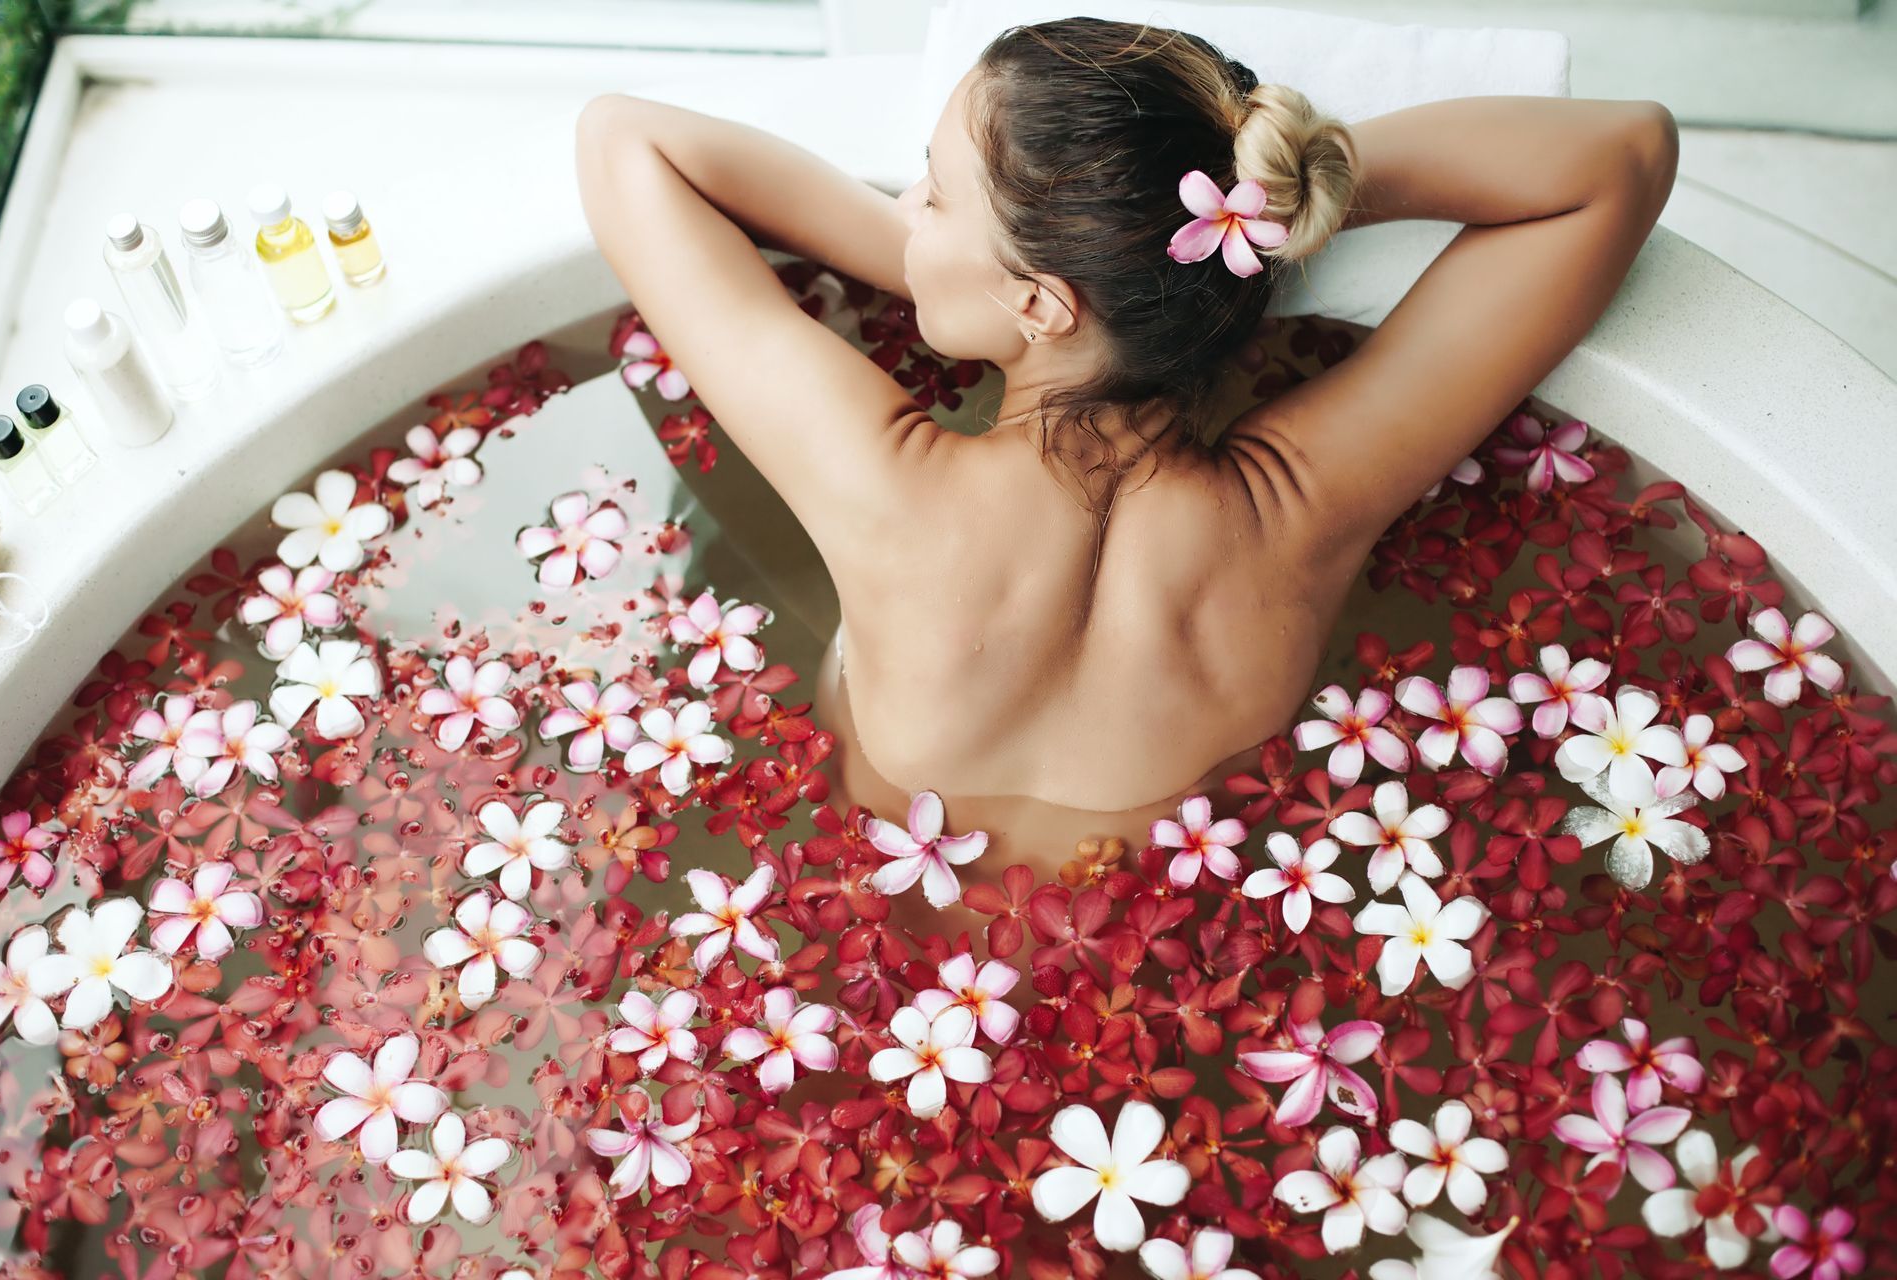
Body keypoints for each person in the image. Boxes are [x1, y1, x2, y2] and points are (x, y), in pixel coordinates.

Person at [573, 17, 1679, 893]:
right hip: (1153, 930)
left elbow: (627, 143)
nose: (908, 208)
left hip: (885, 907)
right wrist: (1275, 196)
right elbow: (1622, 156)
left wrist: (946, 280)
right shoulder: (1299, 506)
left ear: (1041, 302)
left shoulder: (886, 490)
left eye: (933, 195)